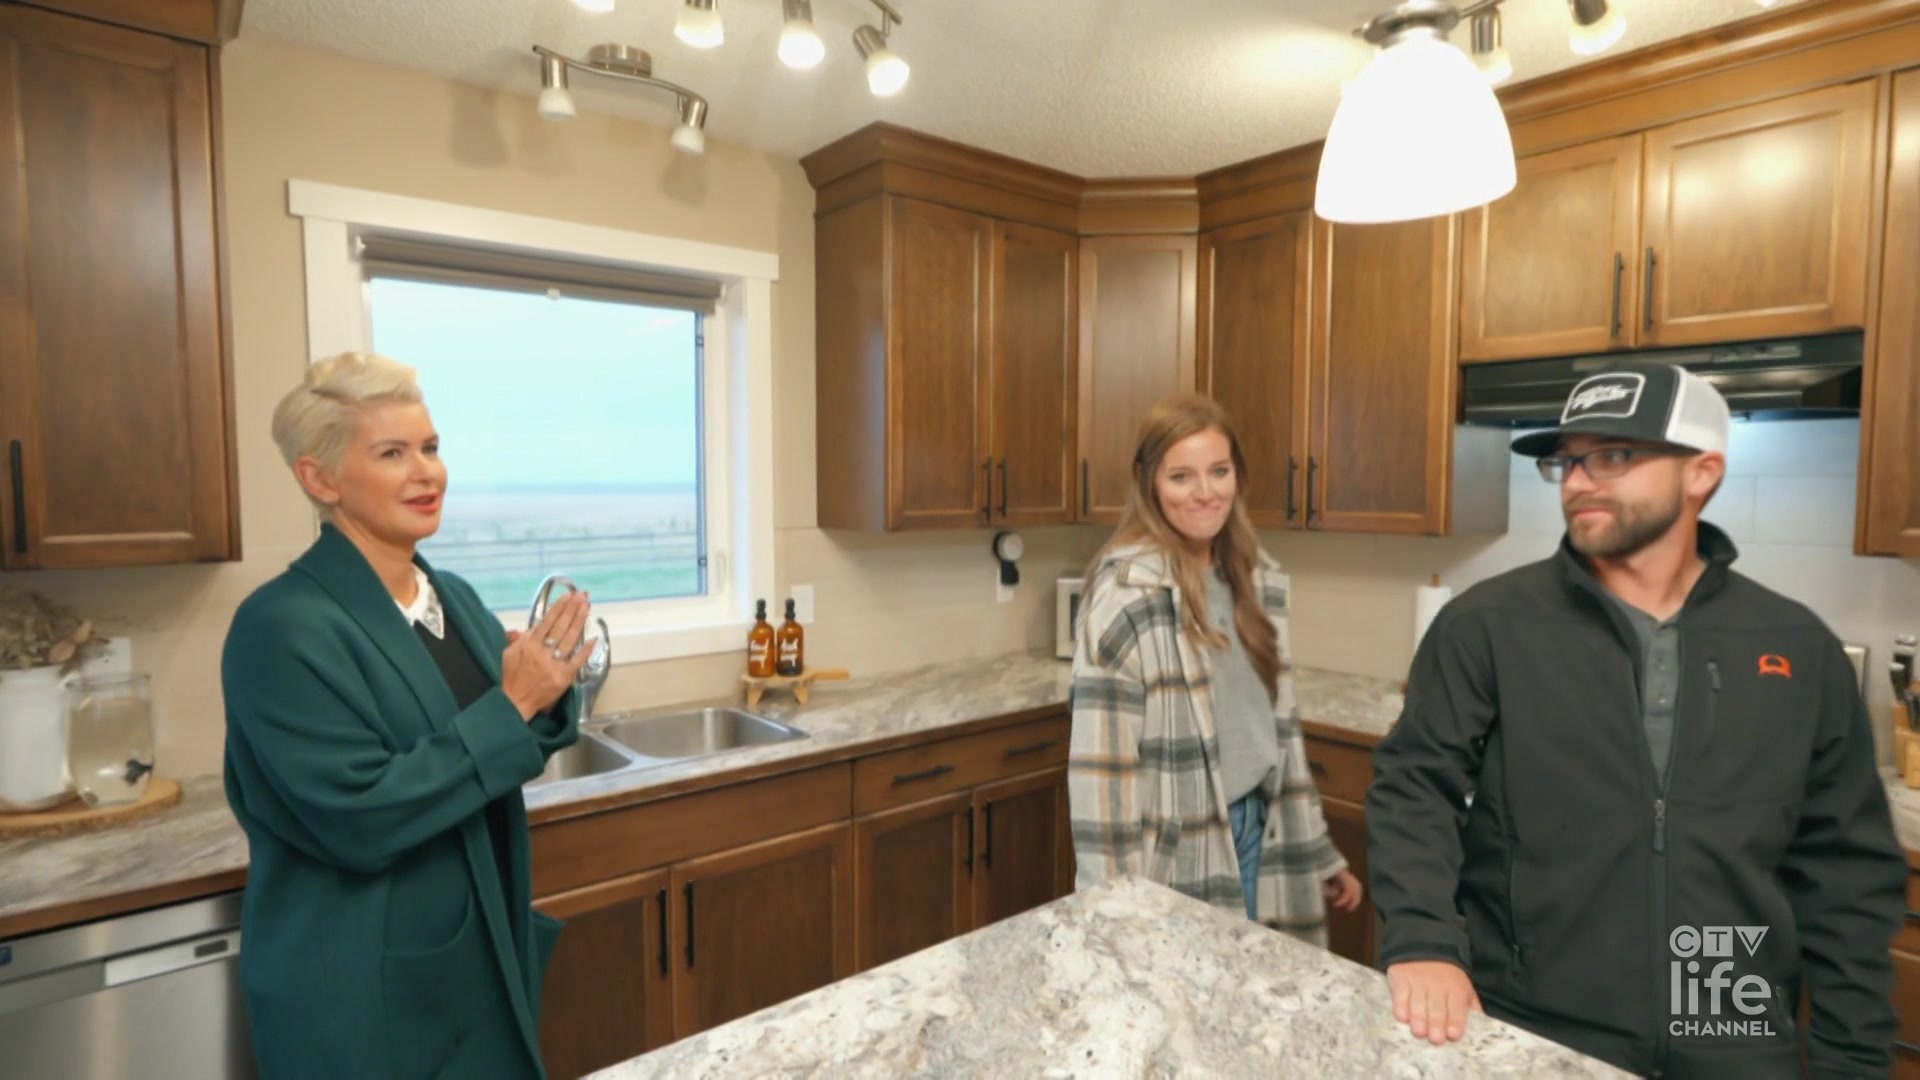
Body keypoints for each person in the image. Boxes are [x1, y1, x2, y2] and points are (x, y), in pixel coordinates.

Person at [1368, 363, 1905, 1077]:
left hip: (1729, 1018)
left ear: (1702, 473)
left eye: (1614, 457)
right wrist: (1424, 941)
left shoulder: (1795, 645)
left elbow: (1845, 873)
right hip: (1536, 1016)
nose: (1578, 482)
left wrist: (1853, 1060)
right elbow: (1414, 788)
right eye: (1567, 461)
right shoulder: (1488, 625)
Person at [222, 351, 594, 1079]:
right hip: (363, 986)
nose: (427, 473)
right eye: (392, 453)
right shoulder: (281, 628)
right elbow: (362, 815)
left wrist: (548, 687)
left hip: (473, 966)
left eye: (430, 447)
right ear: (320, 479)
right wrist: (515, 700)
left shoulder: (449, 595)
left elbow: (502, 740)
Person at [1068, 392, 1362, 940]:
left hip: (1263, 828)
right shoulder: (1128, 596)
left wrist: (1315, 849)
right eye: (1181, 476)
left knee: (1257, 984)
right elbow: (1102, 778)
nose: (1206, 492)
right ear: (1148, 483)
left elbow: (1278, 731)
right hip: (1183, 851)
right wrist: (1108, 916)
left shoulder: (1253, 576)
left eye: (1219, 471)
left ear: (1237, 475)